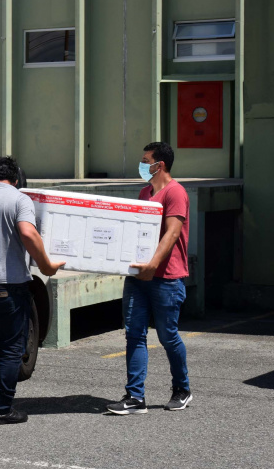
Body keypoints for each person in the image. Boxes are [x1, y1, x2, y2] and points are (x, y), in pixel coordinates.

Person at [0, 156, 65, 425]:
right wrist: (47, 265)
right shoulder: (19, 200)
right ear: (16, 178)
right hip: (8, 284)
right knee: (11, 348)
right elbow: (28, 234)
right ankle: (0, 409)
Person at [107, 142, 193, 415]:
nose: (142, 165)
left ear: (161, 165)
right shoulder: (145, 192)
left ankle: (182, 388)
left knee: (168, 336)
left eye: (146, 161)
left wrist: (152, 266)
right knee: (134, 334)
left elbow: (172, 233)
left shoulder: (175, 192)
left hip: (166, 277)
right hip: (137, 276)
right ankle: (135, 397)